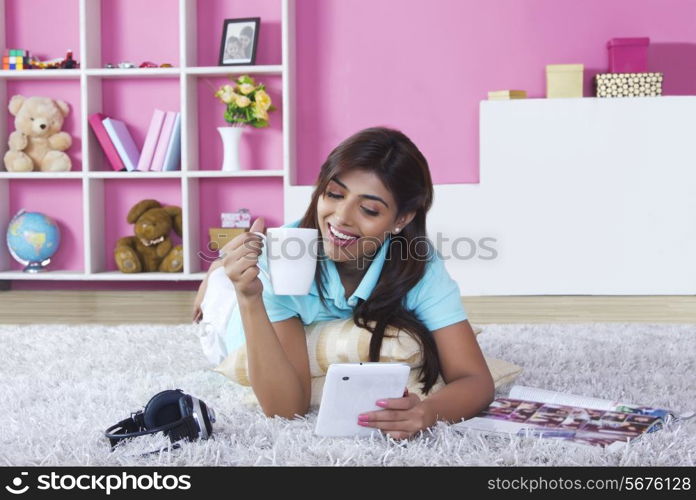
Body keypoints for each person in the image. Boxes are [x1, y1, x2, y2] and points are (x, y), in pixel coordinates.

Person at [193, 127, 494, 440]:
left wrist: (428, 412)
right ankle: (217, 276)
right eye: (334, 194)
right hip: (231, 318)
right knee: (224, 288)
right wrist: (247, 297)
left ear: (401, 219)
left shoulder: (418, 265)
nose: (341, 217)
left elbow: (475, 379)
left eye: (369, 209)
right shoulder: (282, 261)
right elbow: (285, 409)